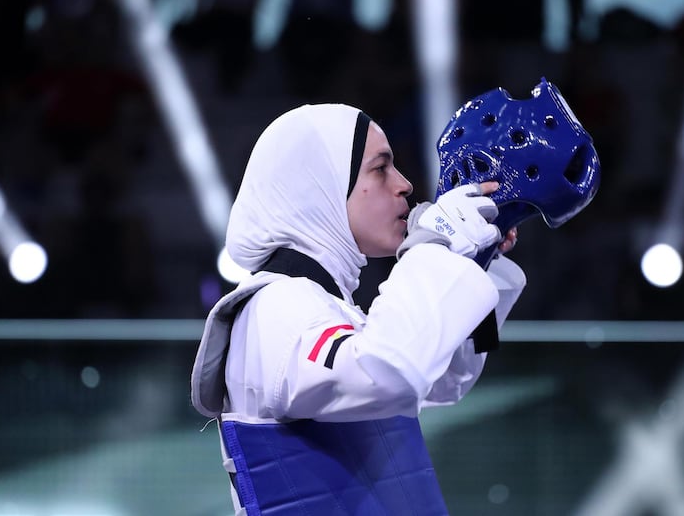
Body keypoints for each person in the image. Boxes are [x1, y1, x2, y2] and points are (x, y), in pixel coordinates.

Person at [191, 103, 526, 515]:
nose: (404, 185)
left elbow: (447, 379)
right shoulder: (274, 304)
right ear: (317, 186)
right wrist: (432, 251)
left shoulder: (328, 309)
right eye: (380, 168)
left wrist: (476, 264)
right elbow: (388, 373)